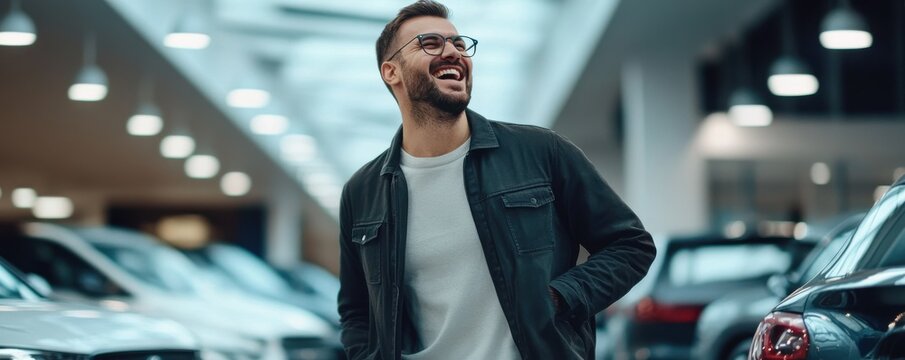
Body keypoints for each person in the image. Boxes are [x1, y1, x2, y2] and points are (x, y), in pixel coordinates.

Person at [337, 1, 656, 359]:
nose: (453, 53)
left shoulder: (540, 152)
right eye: (430, 43)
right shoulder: (363, 192)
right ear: (391, 71)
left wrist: (562, 297)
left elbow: (631, 245)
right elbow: (357, 310)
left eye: (459, 44)